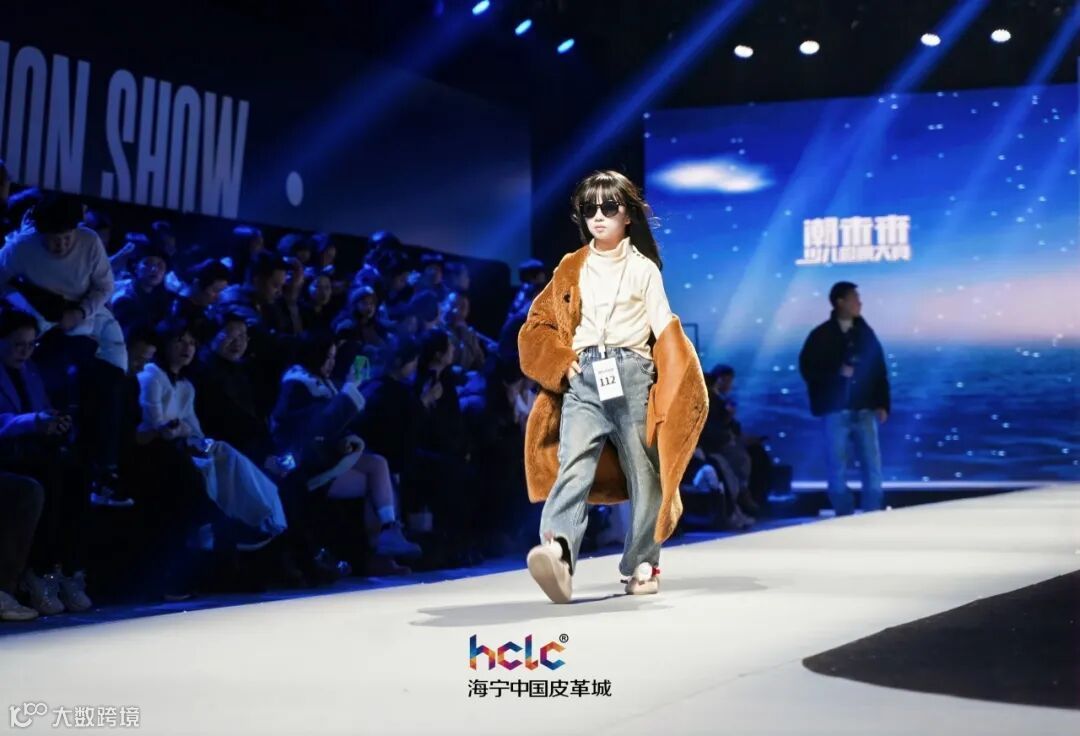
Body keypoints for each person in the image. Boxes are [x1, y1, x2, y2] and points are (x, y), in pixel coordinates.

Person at [517, 170, 707, 604]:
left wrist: (674, 390)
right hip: (583, 375)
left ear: (628, 214)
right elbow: (538, 324)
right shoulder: (571, 266)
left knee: (645, 469)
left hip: (633, 372)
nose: (598, 216)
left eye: (608, 207)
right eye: (589, 209)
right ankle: (559, 552)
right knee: (572, 462)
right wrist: (562, 365)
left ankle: (643, 562)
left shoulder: (643, 269)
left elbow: (664, 327)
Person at [271, 337, 421, 560]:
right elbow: (318, 426)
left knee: (379, 465)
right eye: (327, 357)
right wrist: (350, 388)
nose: (331, 363)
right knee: (378, 481)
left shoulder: (323, 383)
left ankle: (388, 534)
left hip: (328, 456)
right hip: (306, 465)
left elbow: (334, 427)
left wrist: (346, 440)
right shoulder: (298, 385)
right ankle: (379, 546)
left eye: (333, 357)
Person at [138, 318, 287, 543]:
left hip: (184, 443)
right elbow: (159, 423)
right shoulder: (152, 375)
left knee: (224, 452)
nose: (187, 348)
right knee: (210, 464)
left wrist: (199, 440)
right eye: (180, 341)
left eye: (192, 343)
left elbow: (193, 429)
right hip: (157, 446)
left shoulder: (186, 385)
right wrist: (183, 432)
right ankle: (222, 524)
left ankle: (263, 517)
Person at [798, 281, 890, 516]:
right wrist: (836, 374)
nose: (859, 303)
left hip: (865, 409)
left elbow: (879, 369)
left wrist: (882, 403)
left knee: (872, 464)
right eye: (854, 298)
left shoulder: (865, 333)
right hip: (835, 410)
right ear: (840, 302)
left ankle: (872, 512)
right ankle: (843, 513)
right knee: (836, 465)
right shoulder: (820, 335)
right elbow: (809, 369)